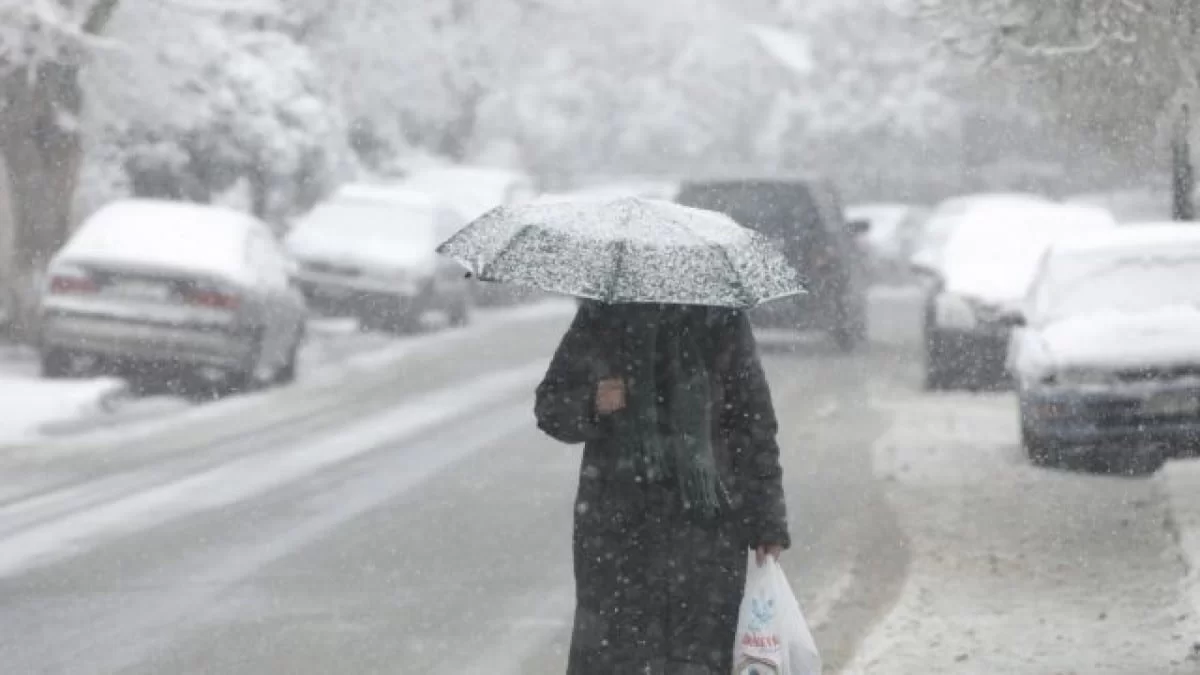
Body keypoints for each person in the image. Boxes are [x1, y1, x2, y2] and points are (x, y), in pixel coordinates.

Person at [535, 301, 790, 674]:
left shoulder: (721, 317)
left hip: (707, 532)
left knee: (698, 657)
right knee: (619, 657)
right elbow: (550, 406)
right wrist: (593, 401)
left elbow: (754, 424)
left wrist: (768, 520)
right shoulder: (603, 316)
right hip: (618, 532)